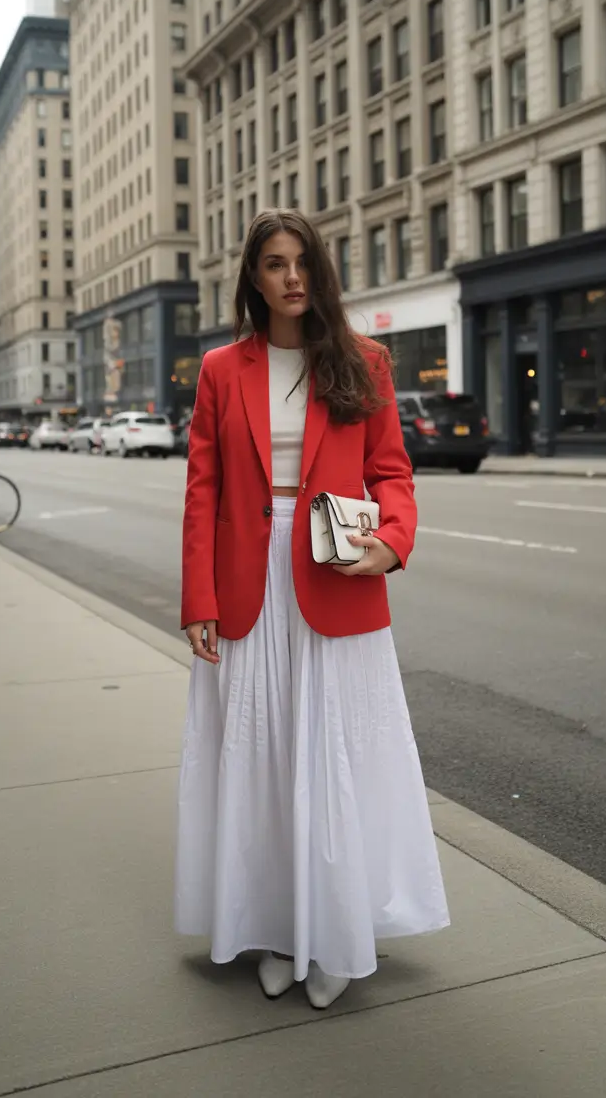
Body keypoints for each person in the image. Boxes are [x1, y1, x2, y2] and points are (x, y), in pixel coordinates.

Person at [175, 209, 449, 1010]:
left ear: (319, 270)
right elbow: (204, 491)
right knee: (260, 760)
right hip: (247, 582)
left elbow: (393, 472)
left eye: (301, 262)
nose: (291, 276)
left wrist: (393, 542)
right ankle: (272, 927)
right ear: (252, 278)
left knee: (333, 758)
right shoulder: (223, 369)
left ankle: (335, 932)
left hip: (335, 571)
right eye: (273, 263)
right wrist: (199, 597)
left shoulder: (362, 362)